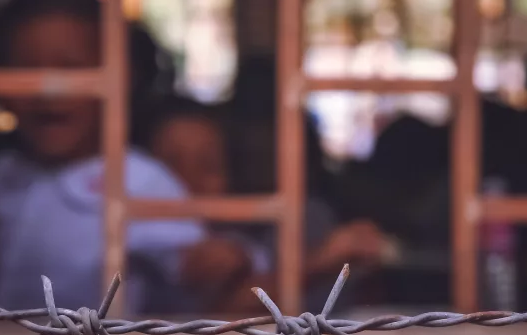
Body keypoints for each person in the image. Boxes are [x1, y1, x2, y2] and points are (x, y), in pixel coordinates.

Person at [0, 0, 247, 313]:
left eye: (70, 68)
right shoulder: (3, 172)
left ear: (121, 78)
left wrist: (218, 260)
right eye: (28, 70)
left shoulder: (140, 181)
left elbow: (192, 267)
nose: (48, 90)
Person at [145, 95, 393, 313]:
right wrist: (322, 261)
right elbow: (220, 316)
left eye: (208, 166)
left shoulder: (236, 242)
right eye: (169, 167)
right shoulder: (135, 234)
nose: (190, 181)